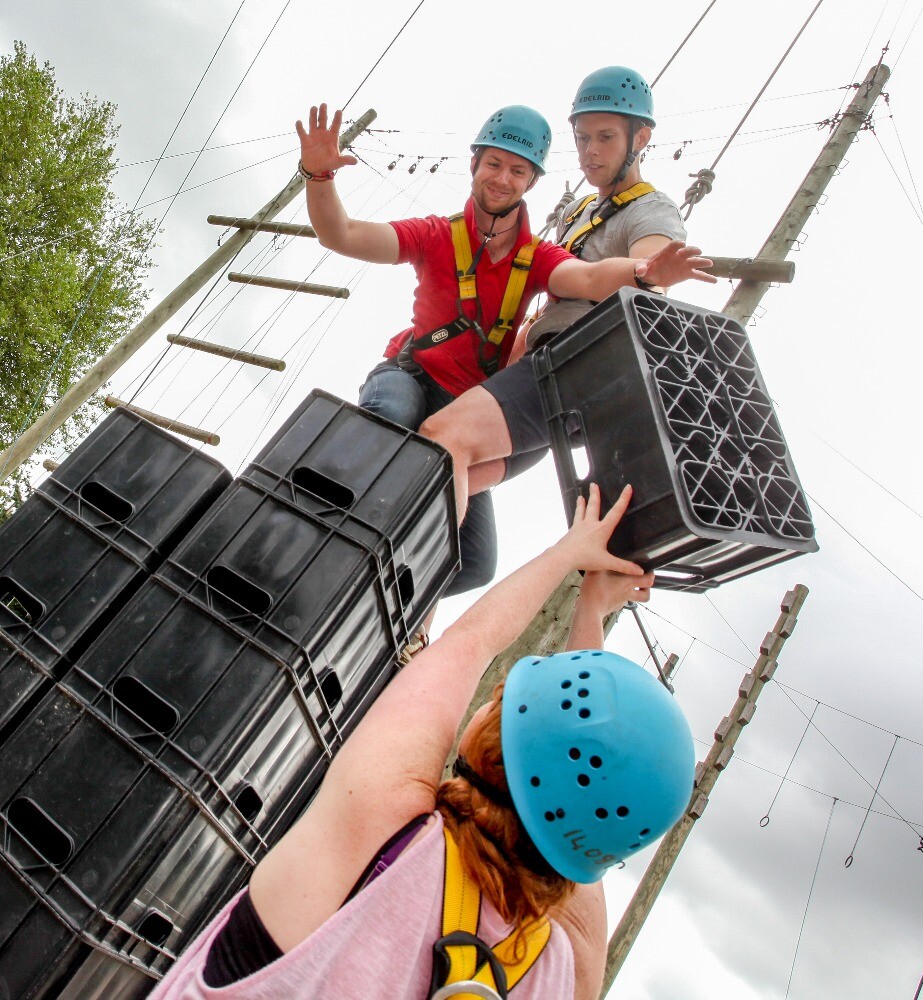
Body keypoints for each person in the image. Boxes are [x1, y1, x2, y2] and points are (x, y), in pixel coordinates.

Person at [147, 485, 696, 1000]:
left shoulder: (386, 831)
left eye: (503, 697)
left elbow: (468, 644)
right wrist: (593, 615)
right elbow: (588, 825)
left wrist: (568, 554)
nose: (490, 697)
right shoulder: (561, 972)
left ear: (496, 742)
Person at [294, 102, 712, 604]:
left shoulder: (536, 258)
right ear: (474, 165)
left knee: (475, 564)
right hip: (411, 376)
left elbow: (587, 278)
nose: (502, 179)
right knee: (389, 424)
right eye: (493, 164)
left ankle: (381, 610)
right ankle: (311, 543)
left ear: (531, 182)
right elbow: (342, 234)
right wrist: (318, 175)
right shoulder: (435, 235)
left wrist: (645, 272)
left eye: (517, 170)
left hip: (464, 402)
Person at [419, 67, 712, 536]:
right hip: (546, 367)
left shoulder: (652, 209)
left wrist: (652, 274)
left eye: (605, 137)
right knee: (438, 480)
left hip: (578, 370)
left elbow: (647, 272)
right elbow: (543, 304)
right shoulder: (580, 212)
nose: (590, 152)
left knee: (442, 440)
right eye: (581, 139)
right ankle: (411, 605)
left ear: (641, 138)